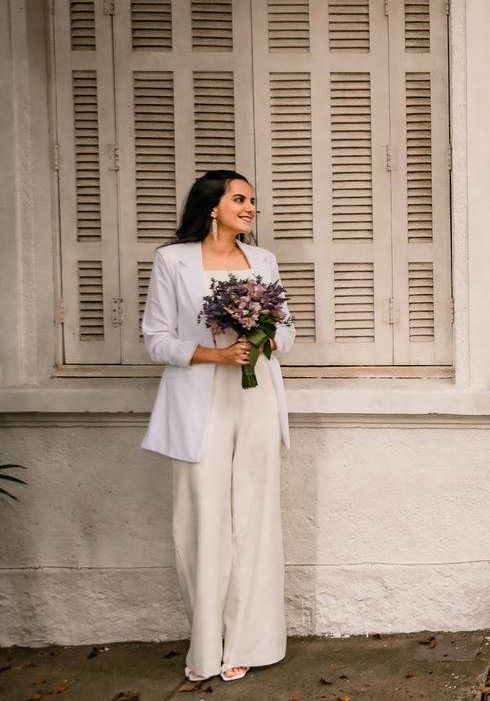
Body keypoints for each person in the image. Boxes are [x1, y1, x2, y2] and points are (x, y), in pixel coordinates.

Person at [141, 170, 294, 683]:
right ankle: (207, 646)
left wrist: (262, 339)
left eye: (252, 200)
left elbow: (287, 329)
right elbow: (156, 338)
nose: (250, 207)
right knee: (203, 518)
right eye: (239, 199)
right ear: (212, 206)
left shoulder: (263, 260)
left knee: (254, 517)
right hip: (199, 398)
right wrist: (216, 354)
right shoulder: (172, 260)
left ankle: (249, 642)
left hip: (256, 394)